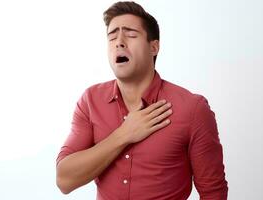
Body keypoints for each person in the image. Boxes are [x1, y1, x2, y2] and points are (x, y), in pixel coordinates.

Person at [56, 1, 228, 199]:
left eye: (130, 34)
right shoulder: (90, 101)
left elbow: (213, 192)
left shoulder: (192, 109)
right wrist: (124, 134)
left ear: (153, 47)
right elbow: (64, 180)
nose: (119, 42)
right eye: (112, 37)